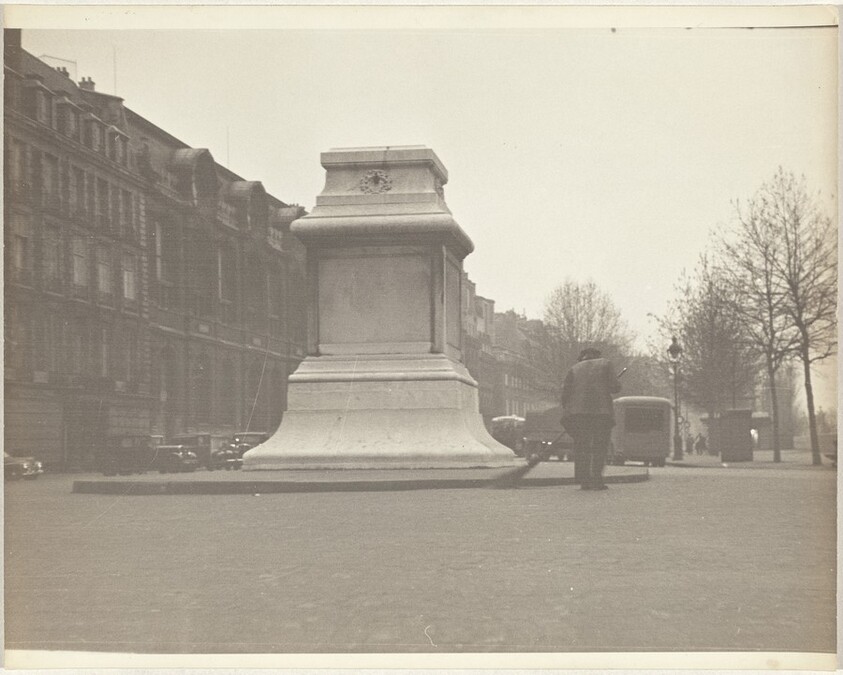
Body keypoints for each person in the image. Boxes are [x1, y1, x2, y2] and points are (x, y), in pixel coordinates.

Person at [560, 347, 622, 490]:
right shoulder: (606, 364)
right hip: (601, 413)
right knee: (600, 447)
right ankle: (597, 480)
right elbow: (615, 387)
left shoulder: (574, 368)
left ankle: (584, 480)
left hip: (579, 415)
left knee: (582, 446)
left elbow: (565, 393)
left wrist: (569, 410)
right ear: (597, 355)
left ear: (582, 357)